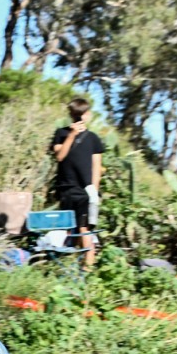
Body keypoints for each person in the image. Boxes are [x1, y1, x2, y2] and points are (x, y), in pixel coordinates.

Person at [50, 98, 104, 266]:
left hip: (85, 190)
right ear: (71, 115)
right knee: (65, 228)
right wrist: (72, 135)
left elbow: (97, 166)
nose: (79, 118)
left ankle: (87, 268)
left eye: (82, 115)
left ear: (88, 115)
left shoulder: (93, 139)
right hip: (65, 187)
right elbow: (59, 156)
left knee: (84, 228)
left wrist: (94, 190)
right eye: (75, 115)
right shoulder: (61, 133)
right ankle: (63, 265)